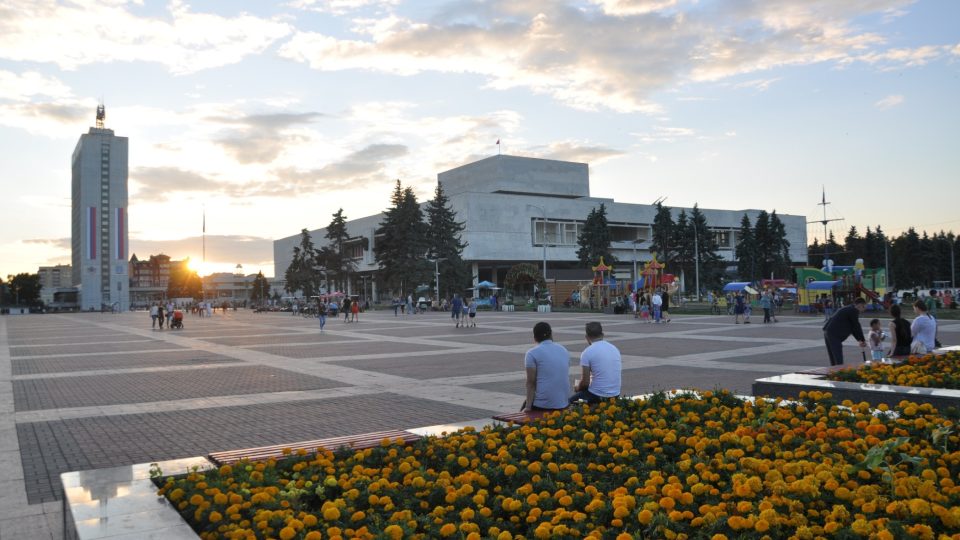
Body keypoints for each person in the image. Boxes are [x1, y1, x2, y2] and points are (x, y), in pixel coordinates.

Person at [523, 322, 571, 412]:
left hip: (544, 405)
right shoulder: (563, 350)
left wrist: (528, 407)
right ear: (551, 334)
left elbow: (531, 383)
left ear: (535, 337)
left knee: (524, 407)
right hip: (564, 402)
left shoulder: (532, 353)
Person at [570, 322, 622, 404]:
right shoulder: (614, 349)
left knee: (568, 402)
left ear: (587, 337)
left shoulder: (587, 352)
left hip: (597, 395)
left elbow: (585, 383)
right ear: (603, 334)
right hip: (615, 394)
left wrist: (577, 388)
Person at [822, 297, 867, 366]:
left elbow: (853, 328)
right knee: (838, 358)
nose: (864, 309)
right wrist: (862, 340)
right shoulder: (853, 310)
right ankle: (838, 373)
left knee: (834, 358)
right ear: (859, 305)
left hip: (828, 331)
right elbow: (856, 326)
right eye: (863, 307)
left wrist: (860, 340)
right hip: (833, 334)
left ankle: (834, 374)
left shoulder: (849, 309)